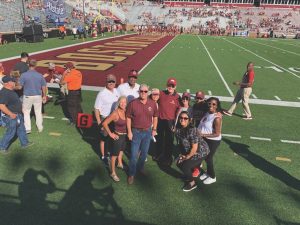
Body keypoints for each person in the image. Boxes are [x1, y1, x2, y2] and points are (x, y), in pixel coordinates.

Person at [126, 84, 158, 184]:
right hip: (136, 131)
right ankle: (131, 174)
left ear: (148, 92)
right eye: (141, 91)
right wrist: (129, 132)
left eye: (145, 91)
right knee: (134, 155)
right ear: (138, 92)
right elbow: (128, 118)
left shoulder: (152, 103)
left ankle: (140, 168)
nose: (143, 93)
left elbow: (155, 116)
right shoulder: (133, 103)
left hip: (147, 132)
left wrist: (154, 129)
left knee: (144, 154)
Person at [175, 111, 210, 192]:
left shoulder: (192, 130)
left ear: (190, 120)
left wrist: (186, 157)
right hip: (190, 151)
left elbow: (194, 148)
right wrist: (182, 155)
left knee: (185, 166)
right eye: (181, 117)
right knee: (178, 162)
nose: (182, 119)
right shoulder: (178, 129)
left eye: (185, 118)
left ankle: (192, 183)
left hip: (201, 152)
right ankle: (189, 175)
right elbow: (180, 143)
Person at [0, 76, 33, 153]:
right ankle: (2, 147)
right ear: (8, 83)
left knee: (21, 129)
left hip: (18, 114)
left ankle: (25, 143)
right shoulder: (4, 93)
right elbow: (1, 105)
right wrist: (10, 114)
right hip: (12, 116)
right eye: (13, 81)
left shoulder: (10, 90)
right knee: (11, 132)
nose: (14, 83)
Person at [94, 74, 119, 164]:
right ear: (106, 82)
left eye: (113, 81)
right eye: (109, 81)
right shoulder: (102, 94)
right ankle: (104, 156)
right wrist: (99, 123)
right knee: (104, 138)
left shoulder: (116, 91)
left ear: (115, 82)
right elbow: (96, 109)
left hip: (114, 119)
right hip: (105, 118)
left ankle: (109, 152)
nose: (111, 83)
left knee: (112, 136)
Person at [102, 96, 127, 182]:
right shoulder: (115, 113)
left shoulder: (126, 111)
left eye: (124, 102)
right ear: (118, 103)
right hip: (117, 137)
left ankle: (119, 164)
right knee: (114, 156)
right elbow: (105, 123)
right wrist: (110, 134)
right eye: (121, 102)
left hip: (125, 136)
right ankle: (112, 172)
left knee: (121, 151)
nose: (123, 104)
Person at [198, 97, 222, 185]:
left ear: (217, 106)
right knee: (205, 156)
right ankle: (208, 173)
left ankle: (212, 177)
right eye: (209, 104)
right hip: (205, 139)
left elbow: (217, 134)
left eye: (214, 104)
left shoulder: (217, 118)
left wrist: (203, 135)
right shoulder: (207, 113)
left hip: (213, 141)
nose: (211, 106)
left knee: (208, 158)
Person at [156, 78, 180, 165]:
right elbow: (153, 99)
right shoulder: (161, 93)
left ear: (175, 87)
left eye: (172, 86)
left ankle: (168, 157)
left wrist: (176, 124)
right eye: (169, 85)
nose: (170, 87)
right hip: (160, 120)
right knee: (159, 138)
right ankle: (158, 154)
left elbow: (180, 110)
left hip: (170, 122)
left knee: (169, 140)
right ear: (167, 85)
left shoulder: (177, 97)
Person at [19, 59, 47, 134]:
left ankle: (28, 128)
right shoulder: (39, 75)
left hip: (28, 96)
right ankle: (40, 127)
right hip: (38, 95)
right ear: (35, 65)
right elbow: (44, 86)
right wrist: (44, 95)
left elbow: (20, 87)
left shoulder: (24, 75)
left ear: (28, 65)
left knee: (26, 112)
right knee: (38, 112)